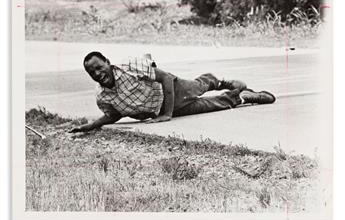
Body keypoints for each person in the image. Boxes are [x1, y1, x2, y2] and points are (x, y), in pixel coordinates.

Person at [69, 51, 275, 133]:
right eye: (91, 72)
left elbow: (165, 77)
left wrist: (166, 115)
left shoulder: (129, 67)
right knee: (210, 106)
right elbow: (113, 115)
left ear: (107, 62)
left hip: (172, 90)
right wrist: (91, 126)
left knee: (198, 87)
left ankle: (216, 80)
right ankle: (243, 96)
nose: (97, 73)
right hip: (161, 110)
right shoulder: (103, 96)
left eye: (99, 67)